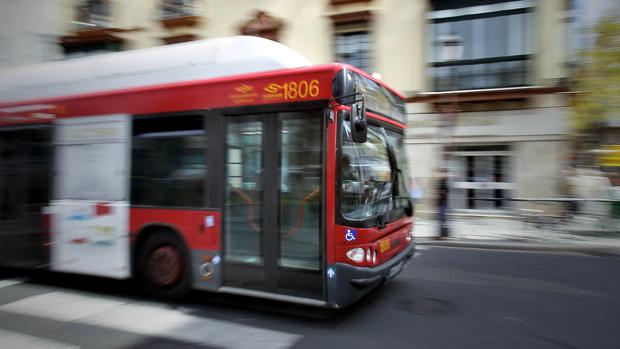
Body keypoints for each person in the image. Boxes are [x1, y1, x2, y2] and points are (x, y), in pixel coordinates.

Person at [436, 168, 449, 239]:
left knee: (442, 219)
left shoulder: (444, 182)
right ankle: (442, 235)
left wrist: (440, 193)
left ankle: (444, 235)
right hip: (441, 203)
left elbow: (444, 193)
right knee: (441, 219)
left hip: (442, 203)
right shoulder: (441, 181)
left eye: (440, 174)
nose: (438, 175)